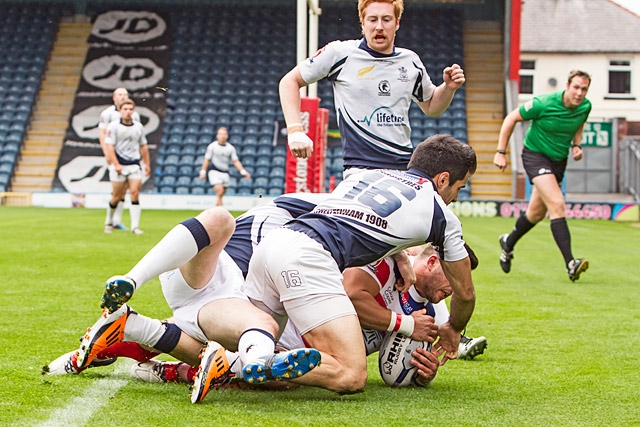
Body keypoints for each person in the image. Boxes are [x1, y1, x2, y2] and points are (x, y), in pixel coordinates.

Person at [192, 134, 476, 396]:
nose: (455, 198)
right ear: (442, 179)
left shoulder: (367, 176)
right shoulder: (442, 216)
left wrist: (400, 255)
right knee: (350, 375)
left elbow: (356, 219)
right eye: (458, 188)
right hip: (310, 258)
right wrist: (453, 327)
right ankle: (242, 362)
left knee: (255, 334)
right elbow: (465, 293)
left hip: (274, 245)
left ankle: (180, 343)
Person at [279, 0, 466, 177]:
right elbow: (289, 82)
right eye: (372, 19)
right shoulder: (340, 54)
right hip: (360, 170)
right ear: (362, 22)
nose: (379, 26)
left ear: (397, 22)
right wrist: (295, 130)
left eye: (386, 19)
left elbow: (432, 107)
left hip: (403, 169)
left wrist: (448, 88)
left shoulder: (410, 61)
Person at [493, 69, 591, 282]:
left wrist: (576, 145)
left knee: (536, 213)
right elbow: (511, 118)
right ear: (567, 85)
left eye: (584, 89)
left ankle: (508, 242)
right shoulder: (543, 103)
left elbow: (579, 123)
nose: (580, 93)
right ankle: (571, 264)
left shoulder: (585, 106)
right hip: (535, 156)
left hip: (558, 161)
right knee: (557, 204)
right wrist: (501, 152)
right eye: (576, 87)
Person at [103, 98, 150, 234]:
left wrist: (146, 163)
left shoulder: (138, 126)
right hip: (119, 164)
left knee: (135, 193)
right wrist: (116, 164)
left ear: (133, 111)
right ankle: (109, 221)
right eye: (125, 109)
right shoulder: (113, 126)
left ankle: (135, 227)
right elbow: (109, 146)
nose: (128, 112)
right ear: (120, 111)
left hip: (134, 164)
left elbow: (143, 146)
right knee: (117, 196)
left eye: (130, 109)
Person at [99, 88, 141, 231]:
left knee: (130, 191)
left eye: (125, 94)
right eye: (120, 94)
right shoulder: (107, 114)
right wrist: (107, 155)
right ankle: (112, 221)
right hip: (115, 156)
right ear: (114, 97)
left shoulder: (134, 116)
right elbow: (103, 134)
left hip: (131, 160)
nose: (123, 96)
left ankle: (118, 221)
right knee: (118, 192)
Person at [199, 127, 251, 206]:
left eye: (224, 134)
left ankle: (216, 210)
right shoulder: (212, 146)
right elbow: (207, 159)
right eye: (220, 134)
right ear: (217, 136)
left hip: (225, 172)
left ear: (227, 136)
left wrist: (243, 171)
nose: (222, 136)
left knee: (221, 194)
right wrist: (203, 171)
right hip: (214, 171)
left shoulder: (230, 148)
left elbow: (235, 161)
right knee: (219, 192)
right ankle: (221, 210)